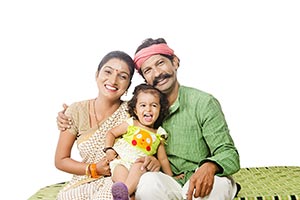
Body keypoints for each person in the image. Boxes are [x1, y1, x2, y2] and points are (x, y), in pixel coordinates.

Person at [57, 38, 240, 200]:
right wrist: (67, 116)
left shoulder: (202, 103)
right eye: (148, 70)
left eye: (160, 63)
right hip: (160, 182)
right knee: (147, 183)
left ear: (175, 62)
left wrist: (209, 166)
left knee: (216, 187)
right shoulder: (138, 112)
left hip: (199, 179)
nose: (157, 73)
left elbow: (228, 153)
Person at [54, 50, 135, 200]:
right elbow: (61, 160)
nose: (113, 80)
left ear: (128, 84)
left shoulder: (134, 110)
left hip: (120, 179)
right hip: (85, 180)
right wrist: (93, 169)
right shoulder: (76, 111)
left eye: (122, 76)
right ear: (97, 74)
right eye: (108, 72)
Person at [105, 83, 176, 200]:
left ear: (160, 110)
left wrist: (171, 177)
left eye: (154, 105)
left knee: (138, 169)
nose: (148, 109)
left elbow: (163, 159)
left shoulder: (158, 134)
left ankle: (125, 195)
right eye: (143, 105)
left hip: (140, 166)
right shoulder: (131, 123)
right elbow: (111, 133)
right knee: (121, 181)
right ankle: (125, 195)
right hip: (121, 161)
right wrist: (108, 149)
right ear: (135, 110)